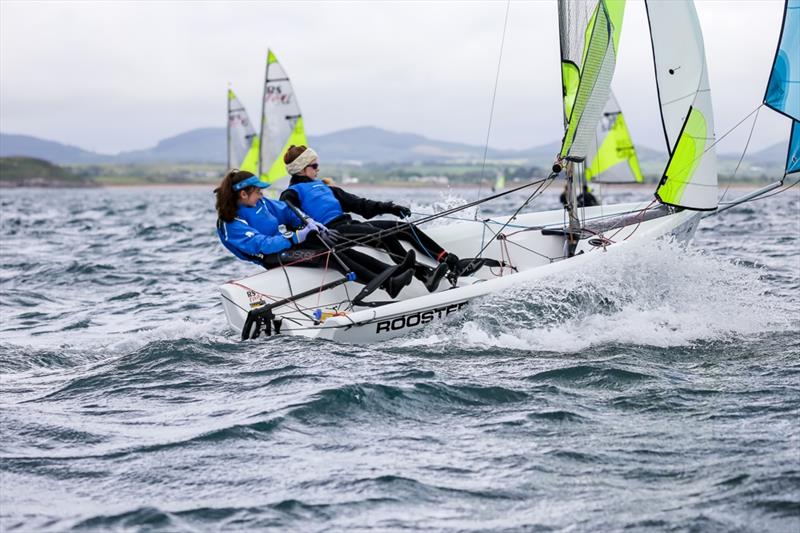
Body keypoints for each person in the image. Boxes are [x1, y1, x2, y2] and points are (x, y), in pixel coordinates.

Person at [279, 145, 461, 292]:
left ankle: (447, 260)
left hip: (349, 224)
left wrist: (390, 207)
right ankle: (424, 275)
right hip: (334, 233)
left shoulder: (325, 187)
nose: (318, 169)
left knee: (403, 227)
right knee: (383, 235)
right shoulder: (290, 194)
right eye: (314, 166)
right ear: (301, 170)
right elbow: (293, 218)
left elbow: (360, 204)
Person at [214, 169, 415, 298]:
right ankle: (388, 284)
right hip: (272, 257)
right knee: (327, 256)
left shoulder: (262, 203)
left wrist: (309, 222)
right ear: (243, 194)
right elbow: (262, 244)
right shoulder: (230, 222)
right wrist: (295, 237)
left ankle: (394, 272)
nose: (262, 194)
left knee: (335, 247)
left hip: (286, 245)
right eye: (258, 191)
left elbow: (287, 212)